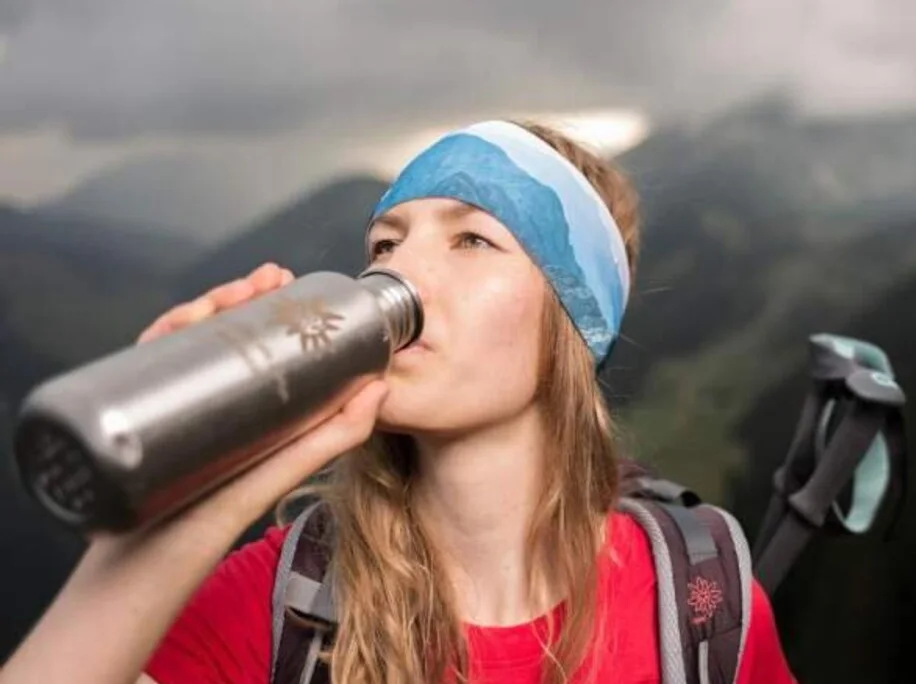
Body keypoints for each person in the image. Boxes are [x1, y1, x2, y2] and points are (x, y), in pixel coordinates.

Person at [0, 120, 797, 683]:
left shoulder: (698, 602)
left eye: (472, 239)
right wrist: (173, 517)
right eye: (386, 244)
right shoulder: (286, 601)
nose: (398, 276)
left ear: (571, 318)